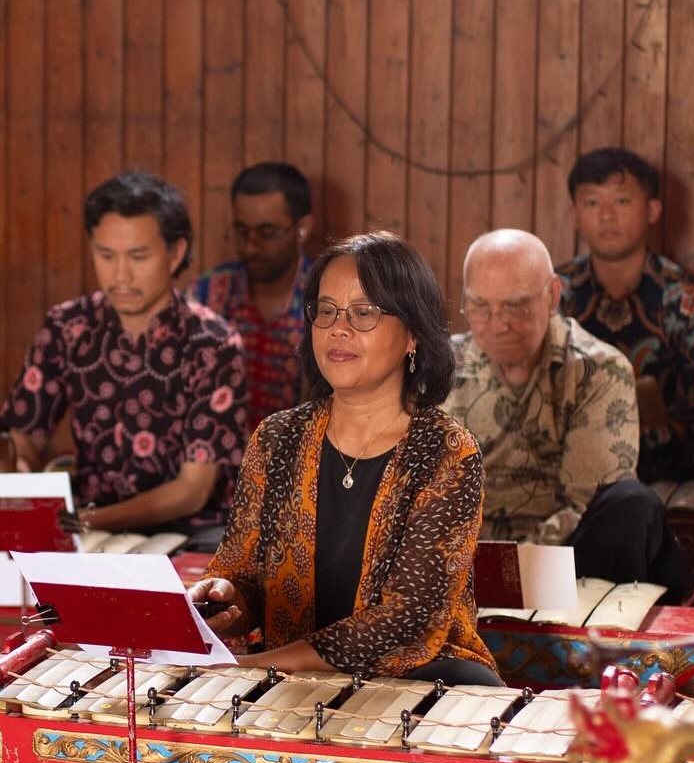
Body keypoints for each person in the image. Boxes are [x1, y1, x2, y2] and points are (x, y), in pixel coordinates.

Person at [189, 231, 499, 684]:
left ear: (413, 333)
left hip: (419, 673)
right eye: (327, 310)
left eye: (364, 313)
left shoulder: (447, 452)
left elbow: (404, 622)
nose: (339, 328)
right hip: (282, 673)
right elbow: (243, 573)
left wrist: (258, 666)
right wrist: (224, 599)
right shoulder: (277, 437)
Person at [0, 171, 247, 551]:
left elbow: (192, 490)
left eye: (138, 256)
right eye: (105, 255)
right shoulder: (68, 326)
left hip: (189, 528)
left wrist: (85, 519)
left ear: (176, 253)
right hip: (88, 516)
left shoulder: (213, 343)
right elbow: (26, 432)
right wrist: (20, 473)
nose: (120, 275)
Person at [447, 229, 692, 598]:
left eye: (516, 306)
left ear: (552, 296)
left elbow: (583, 504)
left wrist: (509, 573)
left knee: (632, 505)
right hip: (462, 565)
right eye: (480, 307)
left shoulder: (598, 370)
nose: (498, 324)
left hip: (566, 562)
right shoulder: (439, 370)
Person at [557, 147, 694, 481]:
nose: (606, 215)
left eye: (621, 201)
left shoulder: (693, 301)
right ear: (575, 214)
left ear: (652, 210)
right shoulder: (550, 293)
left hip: (662, 480)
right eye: (592, 203)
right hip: (560, 474)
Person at [185, 163, 315, 429]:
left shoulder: (326, 295)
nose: (251, 246)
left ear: (302, 228)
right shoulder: (206, 292)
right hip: (215, 459)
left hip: (305, 460)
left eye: (267, 233)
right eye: (242, 232)